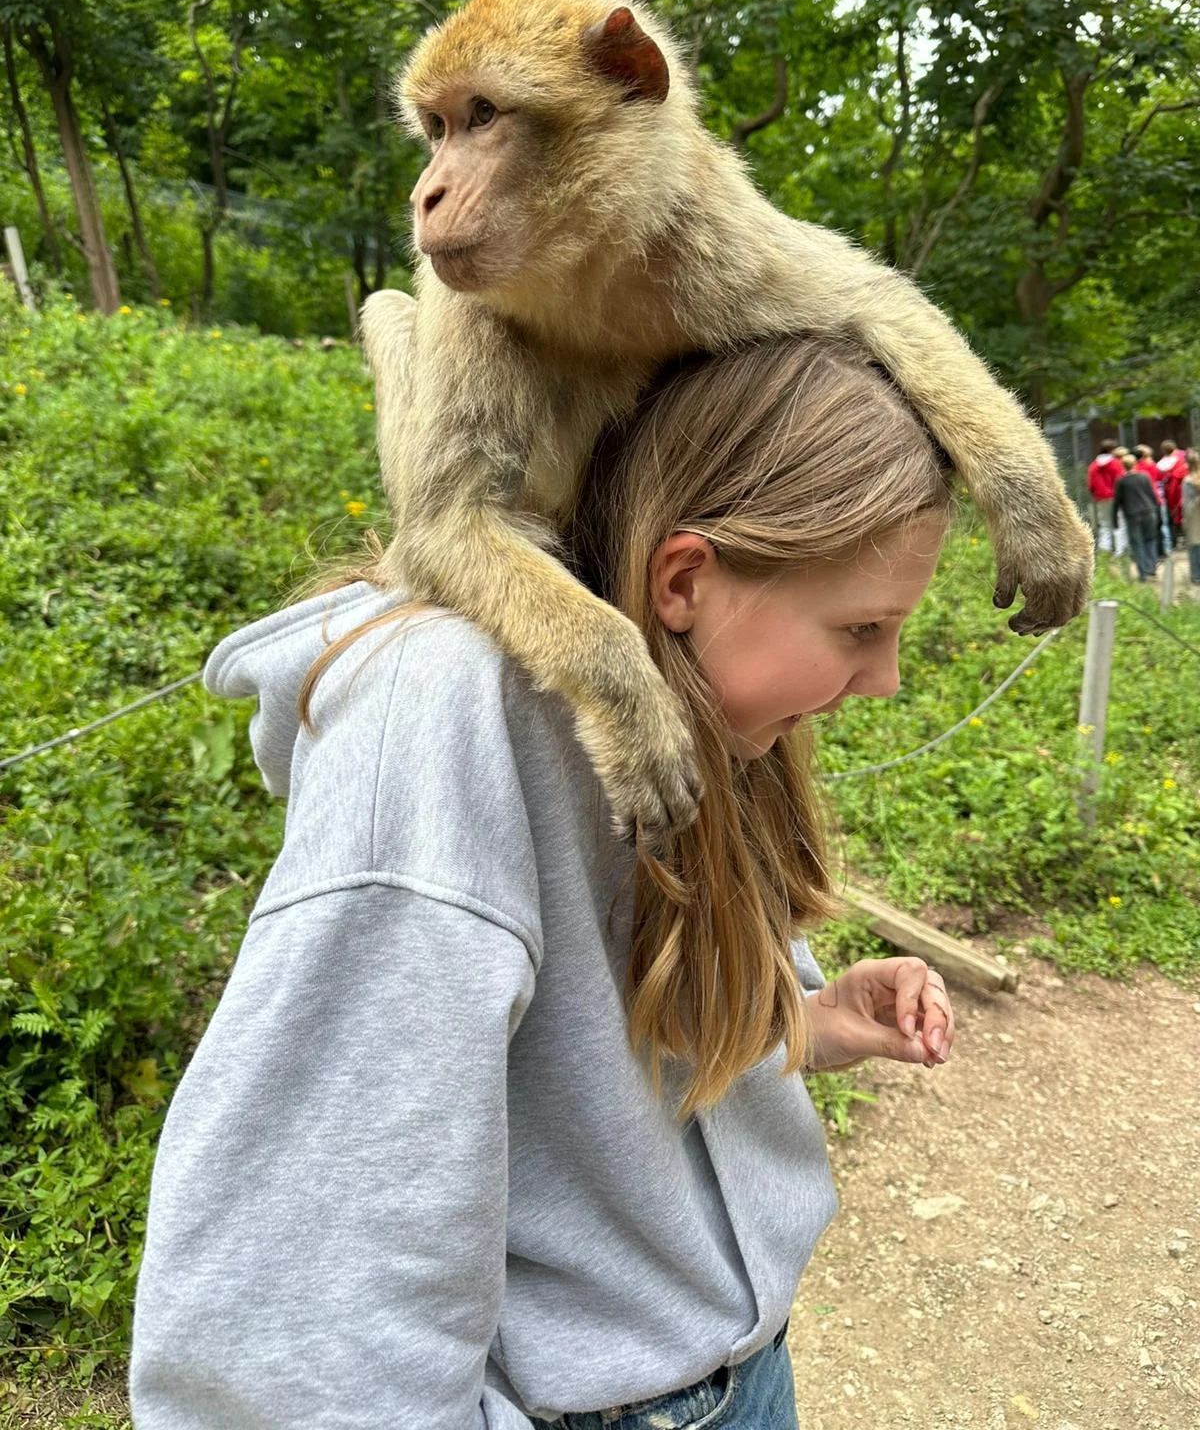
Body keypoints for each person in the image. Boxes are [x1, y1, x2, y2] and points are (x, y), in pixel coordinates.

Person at [130, 334, 958, 1430]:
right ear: (684, 577)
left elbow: (596, 1061)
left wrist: (801, 1023)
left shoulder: (689, 716)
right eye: (861, 628)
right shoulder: (439, 713)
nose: (888, 679)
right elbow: (302, 1295)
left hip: (743, 1371)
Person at [1111, 453, 1160, 581]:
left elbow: (1117, 501)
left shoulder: (1121, 481)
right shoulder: (1144, 476)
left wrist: (1114, 520)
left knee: (1137, 543)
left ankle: (1143, 573)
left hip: (1132, 515)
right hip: (1149, 511)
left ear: (1123, 466)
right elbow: (1152, 495)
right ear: (1135, 464)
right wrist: (1157, 510)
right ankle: (1152, 567)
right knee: (1150, 540)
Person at [1086, 438, 1121, 551]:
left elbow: (1090, 485)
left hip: (1100, 498)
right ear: (1112, 450)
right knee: (1118, 523)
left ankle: (1105, 550)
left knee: (1105, 524)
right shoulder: (1115, 463)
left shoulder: (1093, 466)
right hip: (1115, 496)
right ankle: (1120, 551)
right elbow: (1120, 480)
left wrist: (1095, 494)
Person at [1158, 440, 1189, 546]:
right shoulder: (1183, 456)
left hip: (1170, 490)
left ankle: (1176, 538)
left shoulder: (1162, 463)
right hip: (1183, 488)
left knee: (1173, 514)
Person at [1183, 449, 1200, 586]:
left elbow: (1186, 502)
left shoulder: (1187, 481)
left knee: (1194, 544)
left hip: (1193, 514)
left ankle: (1196, 575)